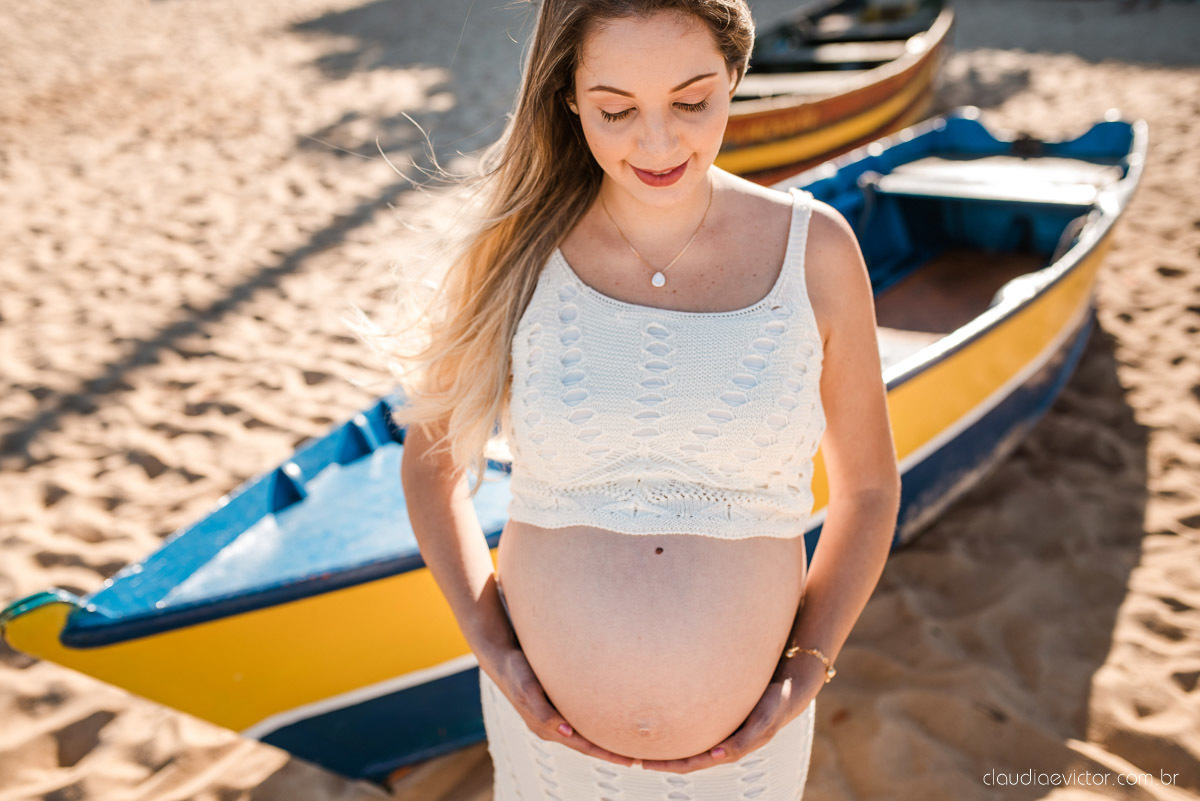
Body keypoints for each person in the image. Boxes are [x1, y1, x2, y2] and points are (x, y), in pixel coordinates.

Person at [387, 0, 901, 797]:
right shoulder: (517, 247)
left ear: (735, 75)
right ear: (568, 97)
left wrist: (809, 666)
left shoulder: (818, 249)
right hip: (549, 754)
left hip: (748, 761)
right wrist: (490, 643)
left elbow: (868, 488)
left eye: (692, 102)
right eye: (616, 109)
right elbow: (430, 465)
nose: (657, 143)